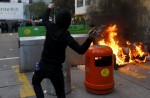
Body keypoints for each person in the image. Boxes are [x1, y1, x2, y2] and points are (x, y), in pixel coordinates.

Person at [32, 3, 99, 98]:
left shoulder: (50, 27)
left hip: (42, 65)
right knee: (60, 94)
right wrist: (90, 38)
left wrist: (49, 8)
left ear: (57, 19)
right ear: (68, 22)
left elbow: (44, 20)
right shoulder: (66, 36)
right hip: (55, 70)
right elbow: (81, 50)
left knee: (35, 82)